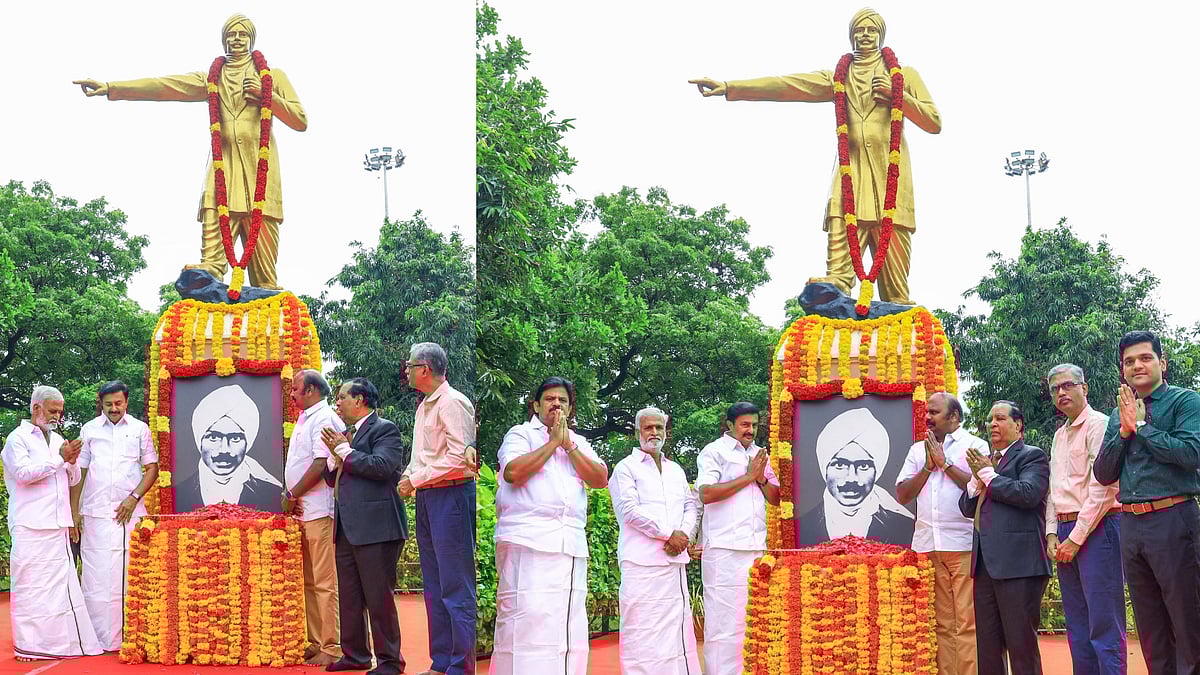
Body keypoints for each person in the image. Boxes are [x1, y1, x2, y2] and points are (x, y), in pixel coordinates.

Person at [689, 8, 940, 304]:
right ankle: (838, 282)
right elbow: (788, 85)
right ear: (851, 36)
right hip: (850, 179)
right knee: (835, 282)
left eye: (872, 30)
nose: (865, 36)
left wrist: (898, 96)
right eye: (859, 30)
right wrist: (730, 87)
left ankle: (898, 327)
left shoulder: (904, 76)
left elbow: (933, 121)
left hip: (891, 185)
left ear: (881, 35)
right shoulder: (839, 77)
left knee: (897, 296)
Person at [73, 14, 307, 289]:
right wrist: (112, 88)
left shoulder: (272, 77)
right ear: (223, 41)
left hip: (260, 177)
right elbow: (165, 86)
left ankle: (266, 306)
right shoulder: (213, 78)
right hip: (223, 172)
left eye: (243, 34)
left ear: (252, 39)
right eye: (231, 35)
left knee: (266, 282)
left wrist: (267, 96)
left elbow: (300, 120)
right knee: (208, 267)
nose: (237, 40)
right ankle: (211, 267)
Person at [1094, 331, 1200, 675]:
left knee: (1188, 621)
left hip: (1174, 518)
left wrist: (1140, 426)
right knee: (1150, 627)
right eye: (1129, 361)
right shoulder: (1116, 416)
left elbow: (1190, 454)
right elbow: (1104, 473)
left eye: (1144, 358)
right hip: (1132, 525)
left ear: (1162, 363)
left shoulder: (1185, 402)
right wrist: (1124, 430)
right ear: (1122, 371)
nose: (1137, 365)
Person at [491, 376, 609, 675]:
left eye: (563, 400)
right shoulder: (520, 434)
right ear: (536, 405)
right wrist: (552, 443)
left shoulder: (578, 442)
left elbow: (599, 479)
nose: (556, 404)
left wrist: (567, 445)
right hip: (525, 541)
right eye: (550, 399)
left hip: (568, 544)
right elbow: (513, 473)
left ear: (570, 409)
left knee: (566, 624)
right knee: (525, 620)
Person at [2, 386, 103, 661]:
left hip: (57, 524)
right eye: (52, 410)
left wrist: (70, 463)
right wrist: (61, 458)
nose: (58, 416)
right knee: (29, 588)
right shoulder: (17, 439)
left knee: (57, 591)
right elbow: (23, 475)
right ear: (36, 409)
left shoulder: (58, 438)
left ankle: (58, 645)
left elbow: (70, 480)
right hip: (30, 525)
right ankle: (28, 646)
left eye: (60, 411)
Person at [398, 343, 478, 675]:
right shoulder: (423, 407)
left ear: (425, 369)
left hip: (452, 495)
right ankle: (441, 662)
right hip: (429, 497)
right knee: (433, 584)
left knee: (456, 585)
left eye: (410, 365)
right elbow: (421, 456)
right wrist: (408, 477)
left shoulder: (454, 402)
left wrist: (414, 479)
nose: (406, 370)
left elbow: (461, 458)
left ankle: (461, 666)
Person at [895, 392, 988, 675]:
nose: (928, 417)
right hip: (927, 545)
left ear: (954, 417)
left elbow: (979, 487)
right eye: (927, 412)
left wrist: (945, 464)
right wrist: (927, 466)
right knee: (942, 623)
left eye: (934, 412)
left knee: (967, 621)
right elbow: (902, 494)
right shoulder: (916, 450)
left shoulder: (975, 445)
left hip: (961, 545)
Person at [320, 377, 408, 675]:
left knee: (378, 597)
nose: (338, 402)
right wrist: (334, 459)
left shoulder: (385, 429)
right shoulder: (347, 434)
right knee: (350, 595)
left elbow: (383, 468)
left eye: (343, 396)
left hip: (377, 528)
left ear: (359, 400)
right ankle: (355, 654)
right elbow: (336, 478)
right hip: (347, 526)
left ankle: (390, 662)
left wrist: (344, 452)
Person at [1042, 364, 1126, 675]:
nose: (1061, 393)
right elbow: (1053, 487)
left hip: (1098, 527)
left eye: (1067, 386)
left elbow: (1104, 489)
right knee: (1077, 624)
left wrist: (1075, 538)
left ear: (1084, 388)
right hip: (1065, 530)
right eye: (1055, 389)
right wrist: (1052, 533)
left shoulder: (1099, 425)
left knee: (1104, 621)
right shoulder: (1058, 435)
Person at [959, 401, 1051, 675]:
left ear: (1018, 424)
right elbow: (966, 508)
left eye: (999, 418)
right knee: (987, 647)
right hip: (985, 565)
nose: (992, 425)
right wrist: (976, 482)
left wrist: (988, 474)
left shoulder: (1032, 456)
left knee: (1021, 646)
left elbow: (1028, 494)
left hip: (1020, 565)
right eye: (989, 420)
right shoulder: (988, 462)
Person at [609, 407, 701, 675]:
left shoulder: (675, 471)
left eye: (659, 428)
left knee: (677, 633)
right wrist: (667, 534)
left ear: (665, 432)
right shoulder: (625, 468)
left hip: (673, 565)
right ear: (638, 432)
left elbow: (690, 506)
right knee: (642, 632)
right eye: (648, 428)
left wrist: (683, 535)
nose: (654, 433)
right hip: (642, 564)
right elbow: (629, 510)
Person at [70, 381, 159, 653]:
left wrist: (133, 498)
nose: (114, 409)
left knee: (130, 571)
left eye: (118, 403)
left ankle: (132, 636)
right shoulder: (89, 430)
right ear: (101, 403)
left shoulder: (139, 429)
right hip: (95, 512)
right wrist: (74, 512)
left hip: (128, 513)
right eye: (108, 404)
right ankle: (96, 637)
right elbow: (80, 472)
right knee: (96, 575)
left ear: (126, 402)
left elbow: (152, 468)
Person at [694, 402, 780, 675]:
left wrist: (762, 479)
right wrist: (748, 477)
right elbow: (706, 493)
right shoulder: (714, 452)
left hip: (755, 547)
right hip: (723, 549)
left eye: (754, 425)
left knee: (751, 619)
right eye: (744, 425)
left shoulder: (759, 454)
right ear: (729, 425)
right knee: (723, 624)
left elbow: (776, 498)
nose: (750, 430)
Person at [282, 370, 344, 667]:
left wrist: (292, 495)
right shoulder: (306, 417)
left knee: (324, 581)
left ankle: (332, 646)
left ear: (310, 391)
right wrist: (294, 498)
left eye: (295, 389)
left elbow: (321, 464)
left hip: (319, 510)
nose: (291, 393)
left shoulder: (324, 418)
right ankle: (316, 641)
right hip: (304, 511)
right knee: (309, 581)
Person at [797, 407, 914, 547]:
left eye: (863, 466)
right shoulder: (801, 527)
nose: (851, 478)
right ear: (825, 468)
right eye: (840, 465)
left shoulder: (904, 527)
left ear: (877, 471)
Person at [174, 383, 281, 512]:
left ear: (248, 443)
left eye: (235, 438)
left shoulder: (273, 495)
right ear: (200, 441)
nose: (224, 449)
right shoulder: (177, 495)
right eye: (214, 437)